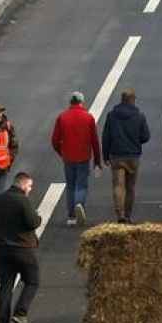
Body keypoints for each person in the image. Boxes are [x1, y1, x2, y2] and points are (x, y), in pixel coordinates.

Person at [0, 171, 41, 323]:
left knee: (6, 285)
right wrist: (38, 218)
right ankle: (20, 312)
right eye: (29, 186)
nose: (30, 189)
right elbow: (32, 223)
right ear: (23, 184)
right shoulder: (22, 201)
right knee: (32, 281)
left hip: (2, 250)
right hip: (23, 249)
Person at [50, 91, 101, 227]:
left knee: (71, 185)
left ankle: (71, 215)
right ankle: (79, 204)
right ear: (81, 102)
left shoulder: (62, 117)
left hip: (68, 157)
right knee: (81, 185)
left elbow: (54, 140)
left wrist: (62, 152)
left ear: (70, 102)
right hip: (83, 157)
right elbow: (94, 141)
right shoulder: (88, 118)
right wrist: (97, 161)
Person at [102, 88, 151, 223]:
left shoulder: (112, 115)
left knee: (118, 185)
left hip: (116, 156)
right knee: (130, 187)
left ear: (121, 100)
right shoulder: (140, 116)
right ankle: (128, 215)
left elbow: (106, 137)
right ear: (133, 100)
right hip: (133, 156)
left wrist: (105, 155)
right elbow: (145, 136)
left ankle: (120, 215)